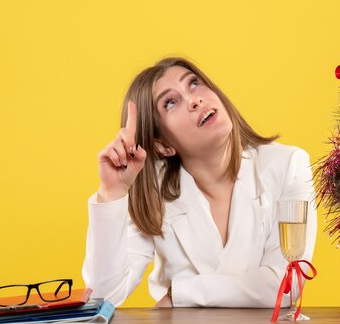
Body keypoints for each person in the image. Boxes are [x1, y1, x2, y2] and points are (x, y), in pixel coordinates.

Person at [82, 57, 317, 308]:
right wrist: (112, 192)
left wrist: (180, 293)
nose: (194, 100)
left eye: (194, 84)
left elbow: (286, 284)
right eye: (171, 102)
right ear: (163, 145)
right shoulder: (153, 192)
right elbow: (104, 295)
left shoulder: (289, 165)